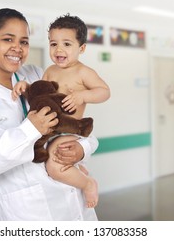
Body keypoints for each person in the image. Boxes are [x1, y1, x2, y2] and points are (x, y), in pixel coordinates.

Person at [0, 8, 99, 221]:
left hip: (78, 204)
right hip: (30, 213)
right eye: (8, 39)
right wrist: (30, 130)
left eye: (24, 42)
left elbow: (78, 125)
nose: (17, 48)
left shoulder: (39, 75)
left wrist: (81, 149)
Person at [12, 14, 110, 208]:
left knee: (55, 166)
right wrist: (25, 87)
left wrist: (83, 96)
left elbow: (104, 92)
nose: (59, 49)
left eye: (66, 44)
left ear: (81, 48)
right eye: (53, 44)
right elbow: (42, 93)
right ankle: (80, 171)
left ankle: (88, 183)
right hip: (49, 131)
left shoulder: (83, 72)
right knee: (48, 161)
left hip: (68, 130)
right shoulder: (50, 70)